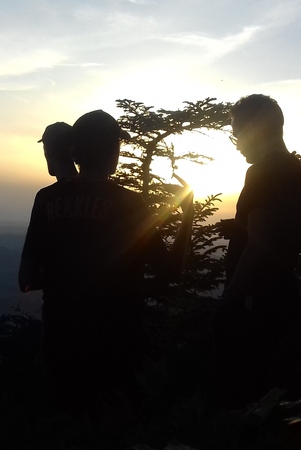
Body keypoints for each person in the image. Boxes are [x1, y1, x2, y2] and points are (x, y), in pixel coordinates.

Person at [18, 110, 193, 417]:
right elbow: (170, 273)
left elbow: (26, 278)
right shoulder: (129, 203)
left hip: (59, 341)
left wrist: (67, 277)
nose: (119, 151)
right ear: (110, 150)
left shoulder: (45, 199)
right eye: (116, 145)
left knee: (65, 426)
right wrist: (188, 212)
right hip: (117, 343)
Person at [214, 94, 301, 407]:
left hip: (255, 304)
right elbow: (286, 235)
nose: (237, 144)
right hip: (284, 296)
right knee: (275, 397)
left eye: (237, 134)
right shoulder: (300, 174)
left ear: (255, 131)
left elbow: (259, 245)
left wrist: (229, 301)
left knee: (243, 395)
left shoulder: (261, 172)